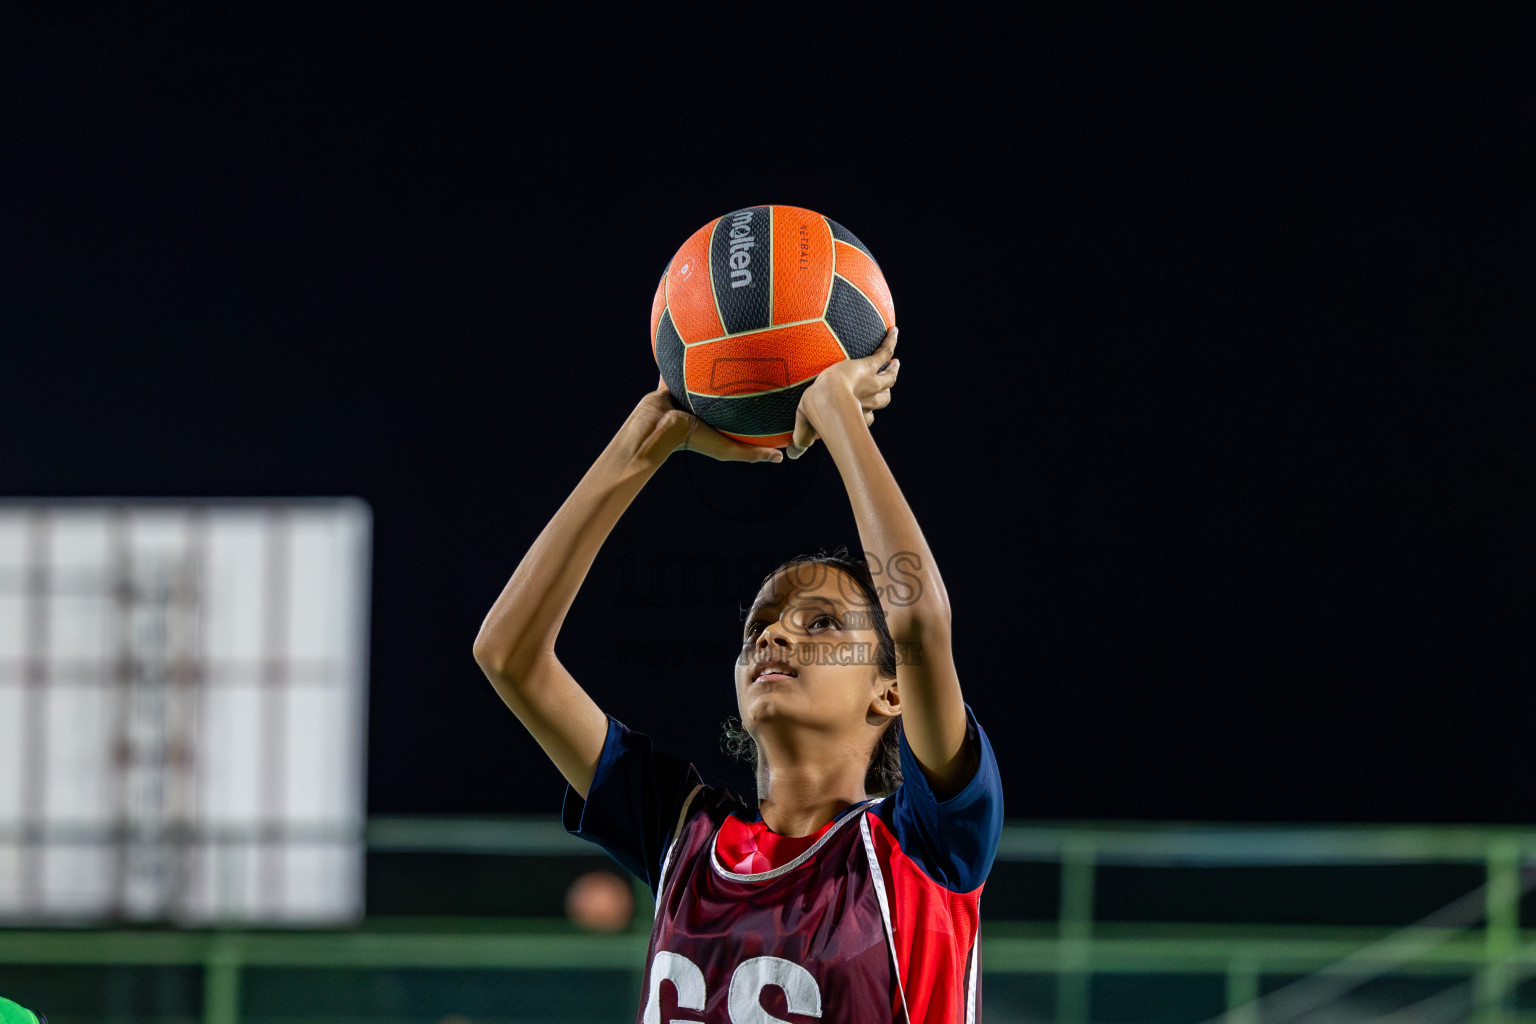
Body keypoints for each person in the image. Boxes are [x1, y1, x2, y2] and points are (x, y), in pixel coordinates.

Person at [474, 327, 1003, 1023]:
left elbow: (922, 627)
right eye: (760, 627)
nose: (777, 633)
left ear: (892, 690)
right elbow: (507, 655)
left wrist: (840, 416)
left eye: (820, 623)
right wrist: (641, 445)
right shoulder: (685, 837)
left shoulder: (924, 847)